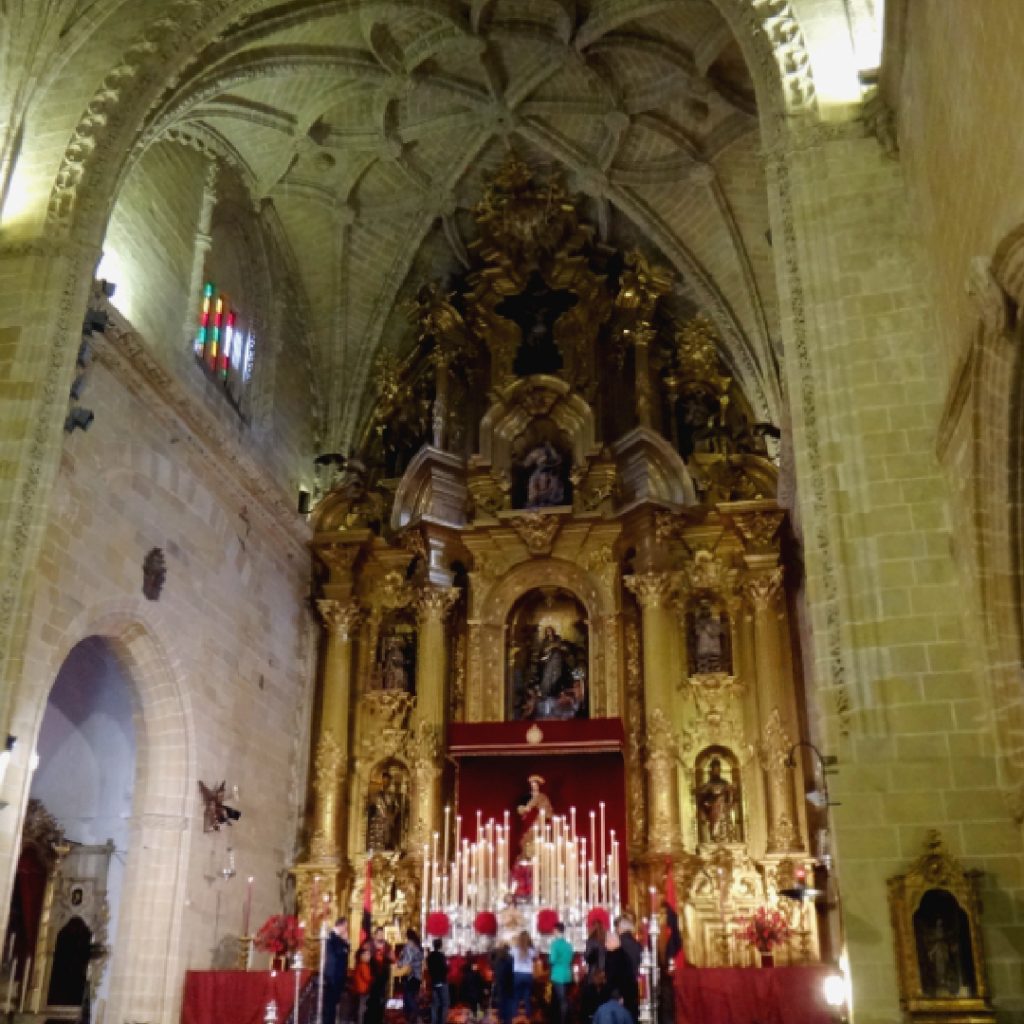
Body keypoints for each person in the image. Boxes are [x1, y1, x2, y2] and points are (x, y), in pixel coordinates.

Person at [696, 758, 736, 843]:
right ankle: (715, 837)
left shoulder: (724, 783)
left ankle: (724, 837)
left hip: (723, 809)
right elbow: (703, 797)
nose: (716, 771)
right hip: (713, 810)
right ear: (711, 770)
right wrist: (708, 801)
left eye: (718, 769)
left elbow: (730, 796)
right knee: (715, 825)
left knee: (724, 824)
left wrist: (731, 792)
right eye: (715, 769)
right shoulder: (708, 784)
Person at [603, 932, 637, 1024]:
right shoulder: (622, 955)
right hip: (625, 996)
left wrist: (617, 996)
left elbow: (616, 979)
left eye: (607, 942)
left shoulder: (615, 958)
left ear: (613, 942)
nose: (605, 944)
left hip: (619, 997)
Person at [323, 918, 351, 1024]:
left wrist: (346, 943)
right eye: (346, 927)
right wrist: (345, 942)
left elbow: (345, 951)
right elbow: (341, 952)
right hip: (333, 976)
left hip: (337, 976)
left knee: (333, 1005)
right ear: (341, 926)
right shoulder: (332, 937)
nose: (346, 930)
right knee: (330, 1006)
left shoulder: (338, 939)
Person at [394, 929, 424, 1024]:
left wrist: (398, 963)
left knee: (408, 998)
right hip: (418, 975)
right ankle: (413, 1019)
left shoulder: (409, 946)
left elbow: (407, 961)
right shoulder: (418, 946)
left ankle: (416, 1015)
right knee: (413, 997)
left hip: (410, 975)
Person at [549, 922, 573, 1024]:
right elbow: (571, 959)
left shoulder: (555, 944)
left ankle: (561, 1020)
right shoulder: (568, 945)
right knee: (564, 999)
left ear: (556, 930)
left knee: (560, 1000)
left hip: (557, 975)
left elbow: (552, 959)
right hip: (567, 974)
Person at [511, 931, 536, 1017]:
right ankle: (528, 1014)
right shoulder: (531, 950)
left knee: (516, 995)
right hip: (528, 974)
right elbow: (536, 956)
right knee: (527, 996)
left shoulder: (515, 949)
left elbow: (509, 955)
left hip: (517, 974)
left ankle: (514, 1013)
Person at [426, 938, 450, 1024]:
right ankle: (442, 1021)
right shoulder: (441, 956)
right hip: (442, 981)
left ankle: (434, 1021)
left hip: (434, 981)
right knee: (445, 1003)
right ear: (441, 945)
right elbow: (445, 968)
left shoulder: (430, 957)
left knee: (435, 1003)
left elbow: (429, 969)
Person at [493, 944, 515, 1024]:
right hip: (509, 985)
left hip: (501, 985)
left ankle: (501, 1018)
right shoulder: (511, 960)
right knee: (508, 1004)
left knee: (501, 1002)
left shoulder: (497, 961)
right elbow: (513, 972)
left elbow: (496, 973)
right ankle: (507, 1020)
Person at [352, 944, 373, 1024]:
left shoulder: (359, 965)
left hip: (359, 989)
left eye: (369, 954)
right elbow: (367, 978)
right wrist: (373, 979)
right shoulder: (363, 965)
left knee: (360, 1007)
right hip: (363, 990)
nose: (369, 957)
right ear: (361, 956)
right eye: (367, 954)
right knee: (362, 1008)